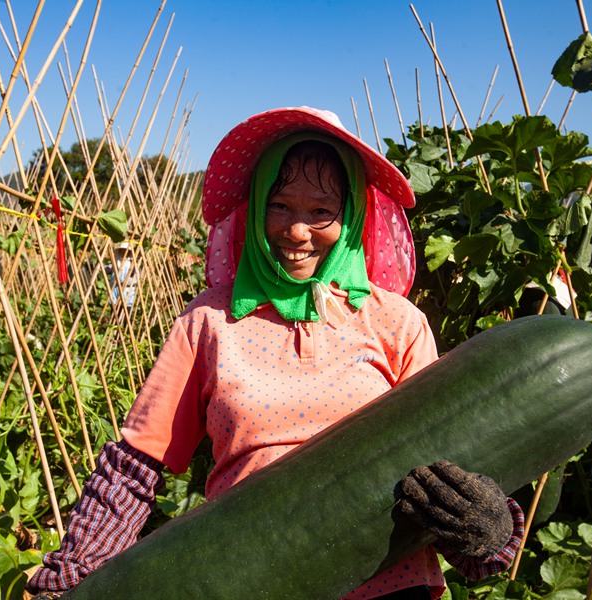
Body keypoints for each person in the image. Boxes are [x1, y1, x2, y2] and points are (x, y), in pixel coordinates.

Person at [26, 107, 524, 600]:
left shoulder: (397, 322)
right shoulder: (208, 322)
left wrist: (486, 533)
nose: (297, 231)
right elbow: (134, 467)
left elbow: (446, 464)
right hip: (246, 581)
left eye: (321, 211)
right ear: (256, 205)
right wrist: (70, 578)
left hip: (389, 585)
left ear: (352, 217)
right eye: (280, 205)